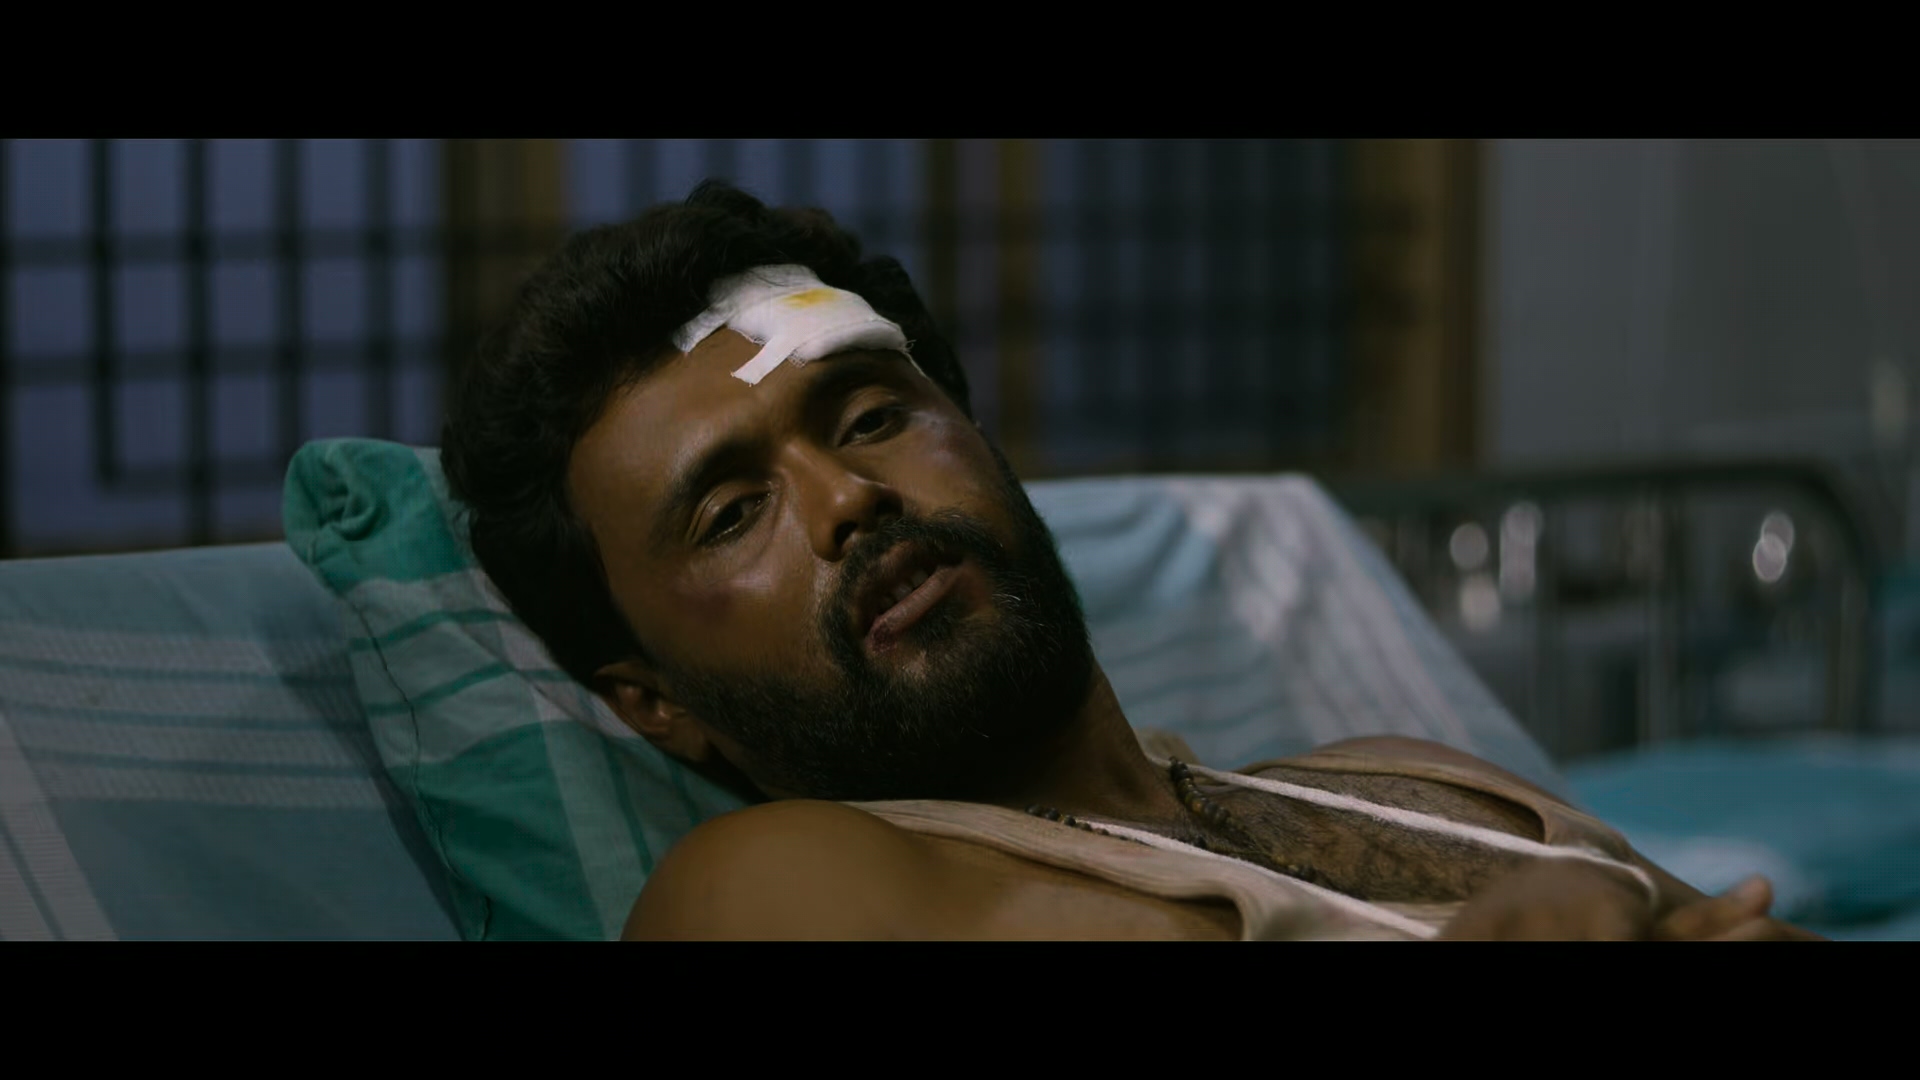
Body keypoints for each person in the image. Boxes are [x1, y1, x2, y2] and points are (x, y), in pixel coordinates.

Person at [441, 180, 1818, 941]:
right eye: (732, 513)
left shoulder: (1419, 784)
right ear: (651, 702)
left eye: (869, 417)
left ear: (981, 443)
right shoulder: (765, 893)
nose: (849, 498)